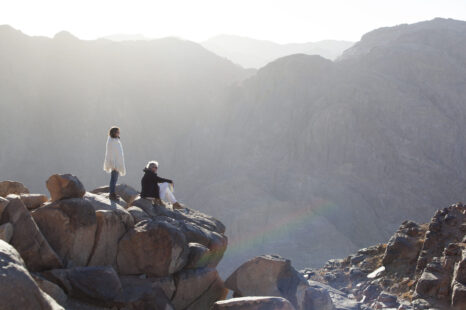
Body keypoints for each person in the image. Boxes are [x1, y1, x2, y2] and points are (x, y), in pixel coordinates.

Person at [103, 126, 126, 200]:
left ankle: (112, 193)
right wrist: (114, 164)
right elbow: (111, 154)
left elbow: (118, 153)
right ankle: (112, 194)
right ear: (113, 133)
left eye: (119, 132)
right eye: (117, 132)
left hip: (117, 163)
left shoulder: (115, 140)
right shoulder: (111, 141)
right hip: (114, 164)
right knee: (113, 179)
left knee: (114, 179)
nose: (118, 133)